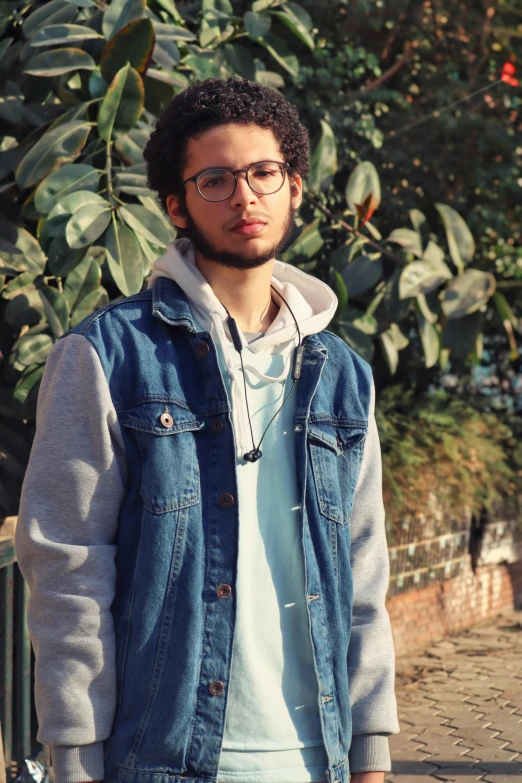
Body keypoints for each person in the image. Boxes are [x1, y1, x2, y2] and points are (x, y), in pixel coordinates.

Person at [15, 77, 399, 783]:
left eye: (263, 173)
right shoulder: (108, 355)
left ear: (295, 188)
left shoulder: (341, 373)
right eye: (216, 179)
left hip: (320, 759)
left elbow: (362, 571)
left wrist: (372, 749)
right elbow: (69, 568)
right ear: (176, 206)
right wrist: (75, 758)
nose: (246, 197)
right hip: (164, 758)